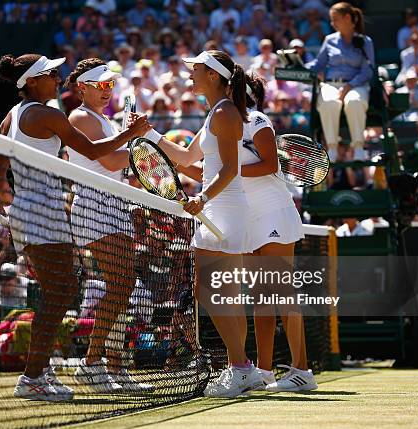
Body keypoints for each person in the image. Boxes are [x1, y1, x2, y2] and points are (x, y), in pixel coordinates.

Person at [0, 53, 150, 401]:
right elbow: (94, 153)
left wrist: (5, 193)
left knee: (59, 293)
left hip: (33, 212)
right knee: (60, 293)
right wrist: (133, 134)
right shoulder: (46, 114)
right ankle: (33, 376)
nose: (58, 79)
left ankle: (39, 372)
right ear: (32, 81)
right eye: (51, 74)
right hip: (43, 213)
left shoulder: (12, 116)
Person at [141, 50, 265, 397]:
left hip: (223, 209)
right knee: (223, 295)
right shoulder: (218, 111)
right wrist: (149, 134)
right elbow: (184, 157)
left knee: (211, 293)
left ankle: (240, 367)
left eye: (195, 70)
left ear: (213, 75)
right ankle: (243, 368)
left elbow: (229, 169)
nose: (190, 76)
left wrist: (203, 199)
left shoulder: (225, 112)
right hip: (221, 209)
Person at [65, 58, 155, 393]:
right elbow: (110, 160)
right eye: (100, 85)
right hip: (94, 207)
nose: (107, 91)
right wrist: (133, 137)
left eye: (109, 85)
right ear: (82, 88)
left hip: (113, 205)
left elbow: (119, 162)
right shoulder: (79, 117)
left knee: (123, 285)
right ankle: (92, 363)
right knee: (122, 282)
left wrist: (133, 140)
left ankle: (113, 366)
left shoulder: (104, 120)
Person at [237, 72, 317, 392]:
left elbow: (269, 164)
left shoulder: (256, 119)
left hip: (273, 213)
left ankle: (302, 370)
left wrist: (229, 173)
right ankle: (265, 371)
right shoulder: (224, 127)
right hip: (249, 218)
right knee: (261, 300)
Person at [306, 2, 374, 162]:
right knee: (329, 102)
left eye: (335, 19)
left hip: (357, 85)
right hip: (331, 84)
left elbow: (368, 70)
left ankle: (358, 148)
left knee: (354, 101)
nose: (332, 23)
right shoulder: (329, 40)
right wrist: (296, 63)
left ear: (347, 18)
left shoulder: (365, 41)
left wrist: (349, 86)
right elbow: (318, 65)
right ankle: (332, 148)